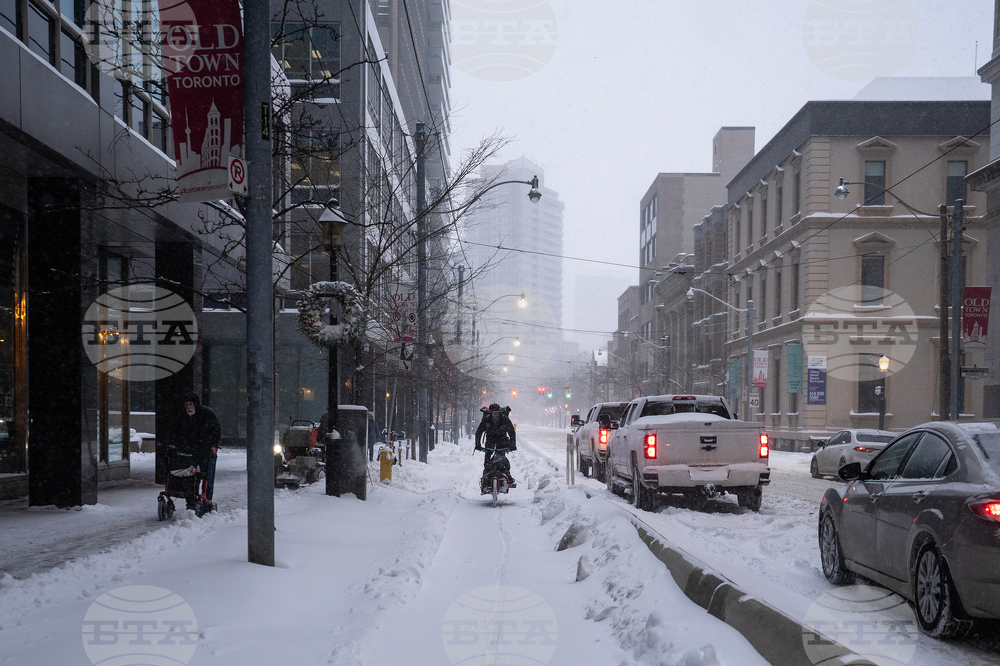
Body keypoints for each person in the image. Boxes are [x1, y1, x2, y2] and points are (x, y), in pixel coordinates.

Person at [175, 391, 221, 509]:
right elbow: (178, 432)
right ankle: (190, 503)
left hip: (205, 450)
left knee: (207, 476)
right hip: (189, 451)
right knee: (189, 477)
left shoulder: (207, 414)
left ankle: (207, 500)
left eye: (190, 404)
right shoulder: (181, 416)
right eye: (186, 405)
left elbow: (215, 430)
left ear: (195, 404)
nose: (188, 407)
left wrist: (213, 445)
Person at [474, 403, 517, 488]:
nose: (496, 415)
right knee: (487, 460)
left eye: (497, 413)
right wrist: (478, 444)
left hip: (502, 440)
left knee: (501, 460)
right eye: (494, 413)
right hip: (490, 440)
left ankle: (505, 475)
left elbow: (511, 432)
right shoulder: (486, 420)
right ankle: (486, 478)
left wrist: (512, 445)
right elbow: (479, 432)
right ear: (490, 413)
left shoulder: (504, 419)